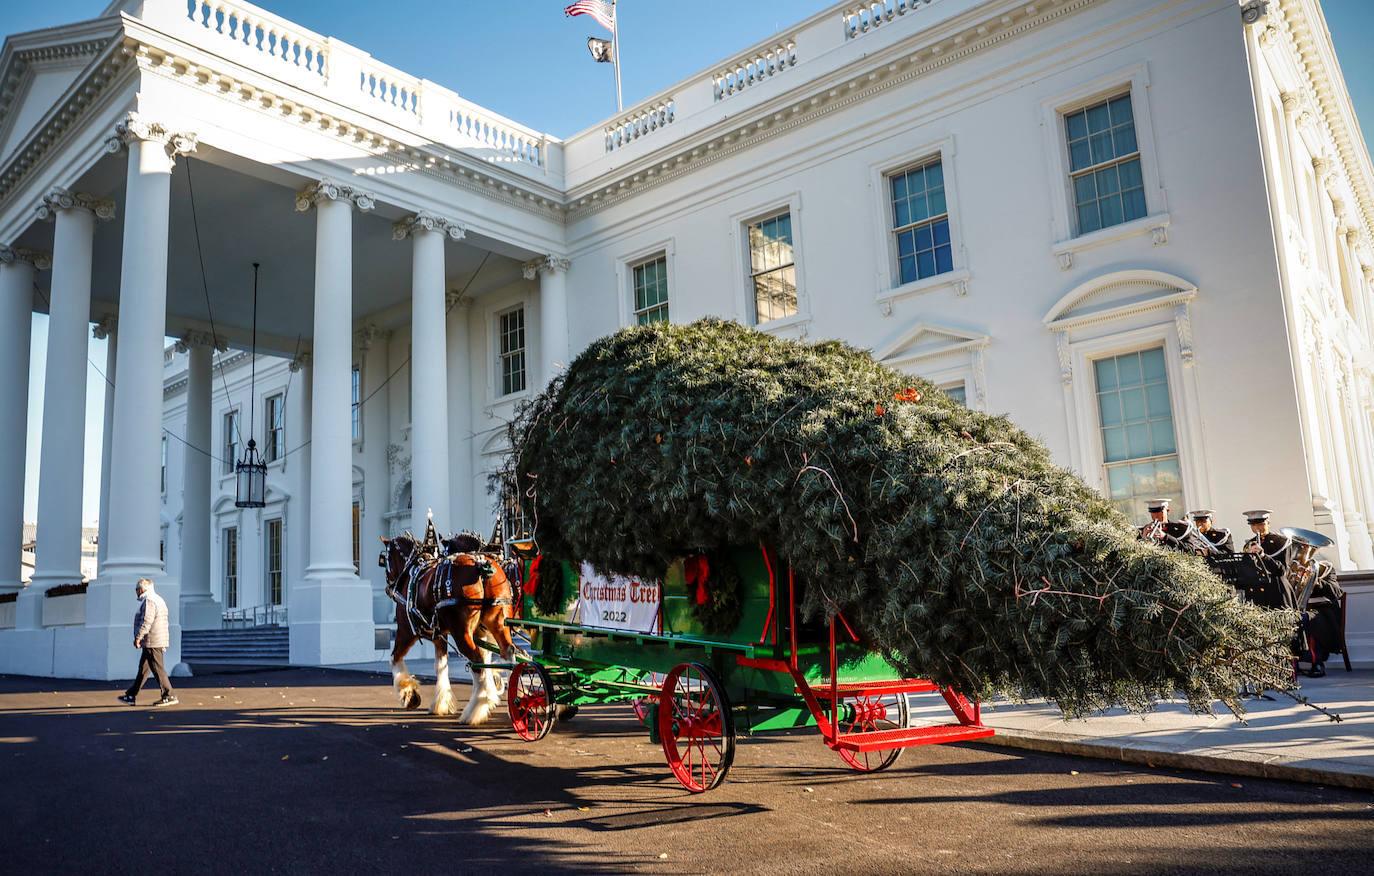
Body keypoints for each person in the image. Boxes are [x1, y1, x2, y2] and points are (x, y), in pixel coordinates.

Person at [117, 578, 178, 707]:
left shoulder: (149, 601)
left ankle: (169, 695)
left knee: (157, 669)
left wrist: (138, 637)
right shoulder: (158, 599)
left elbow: (146, 621)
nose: (136, 592)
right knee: (143, 671)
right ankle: (131, 695)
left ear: (141, 589)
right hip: (156, 640)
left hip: (152, 641)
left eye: (136, 589)